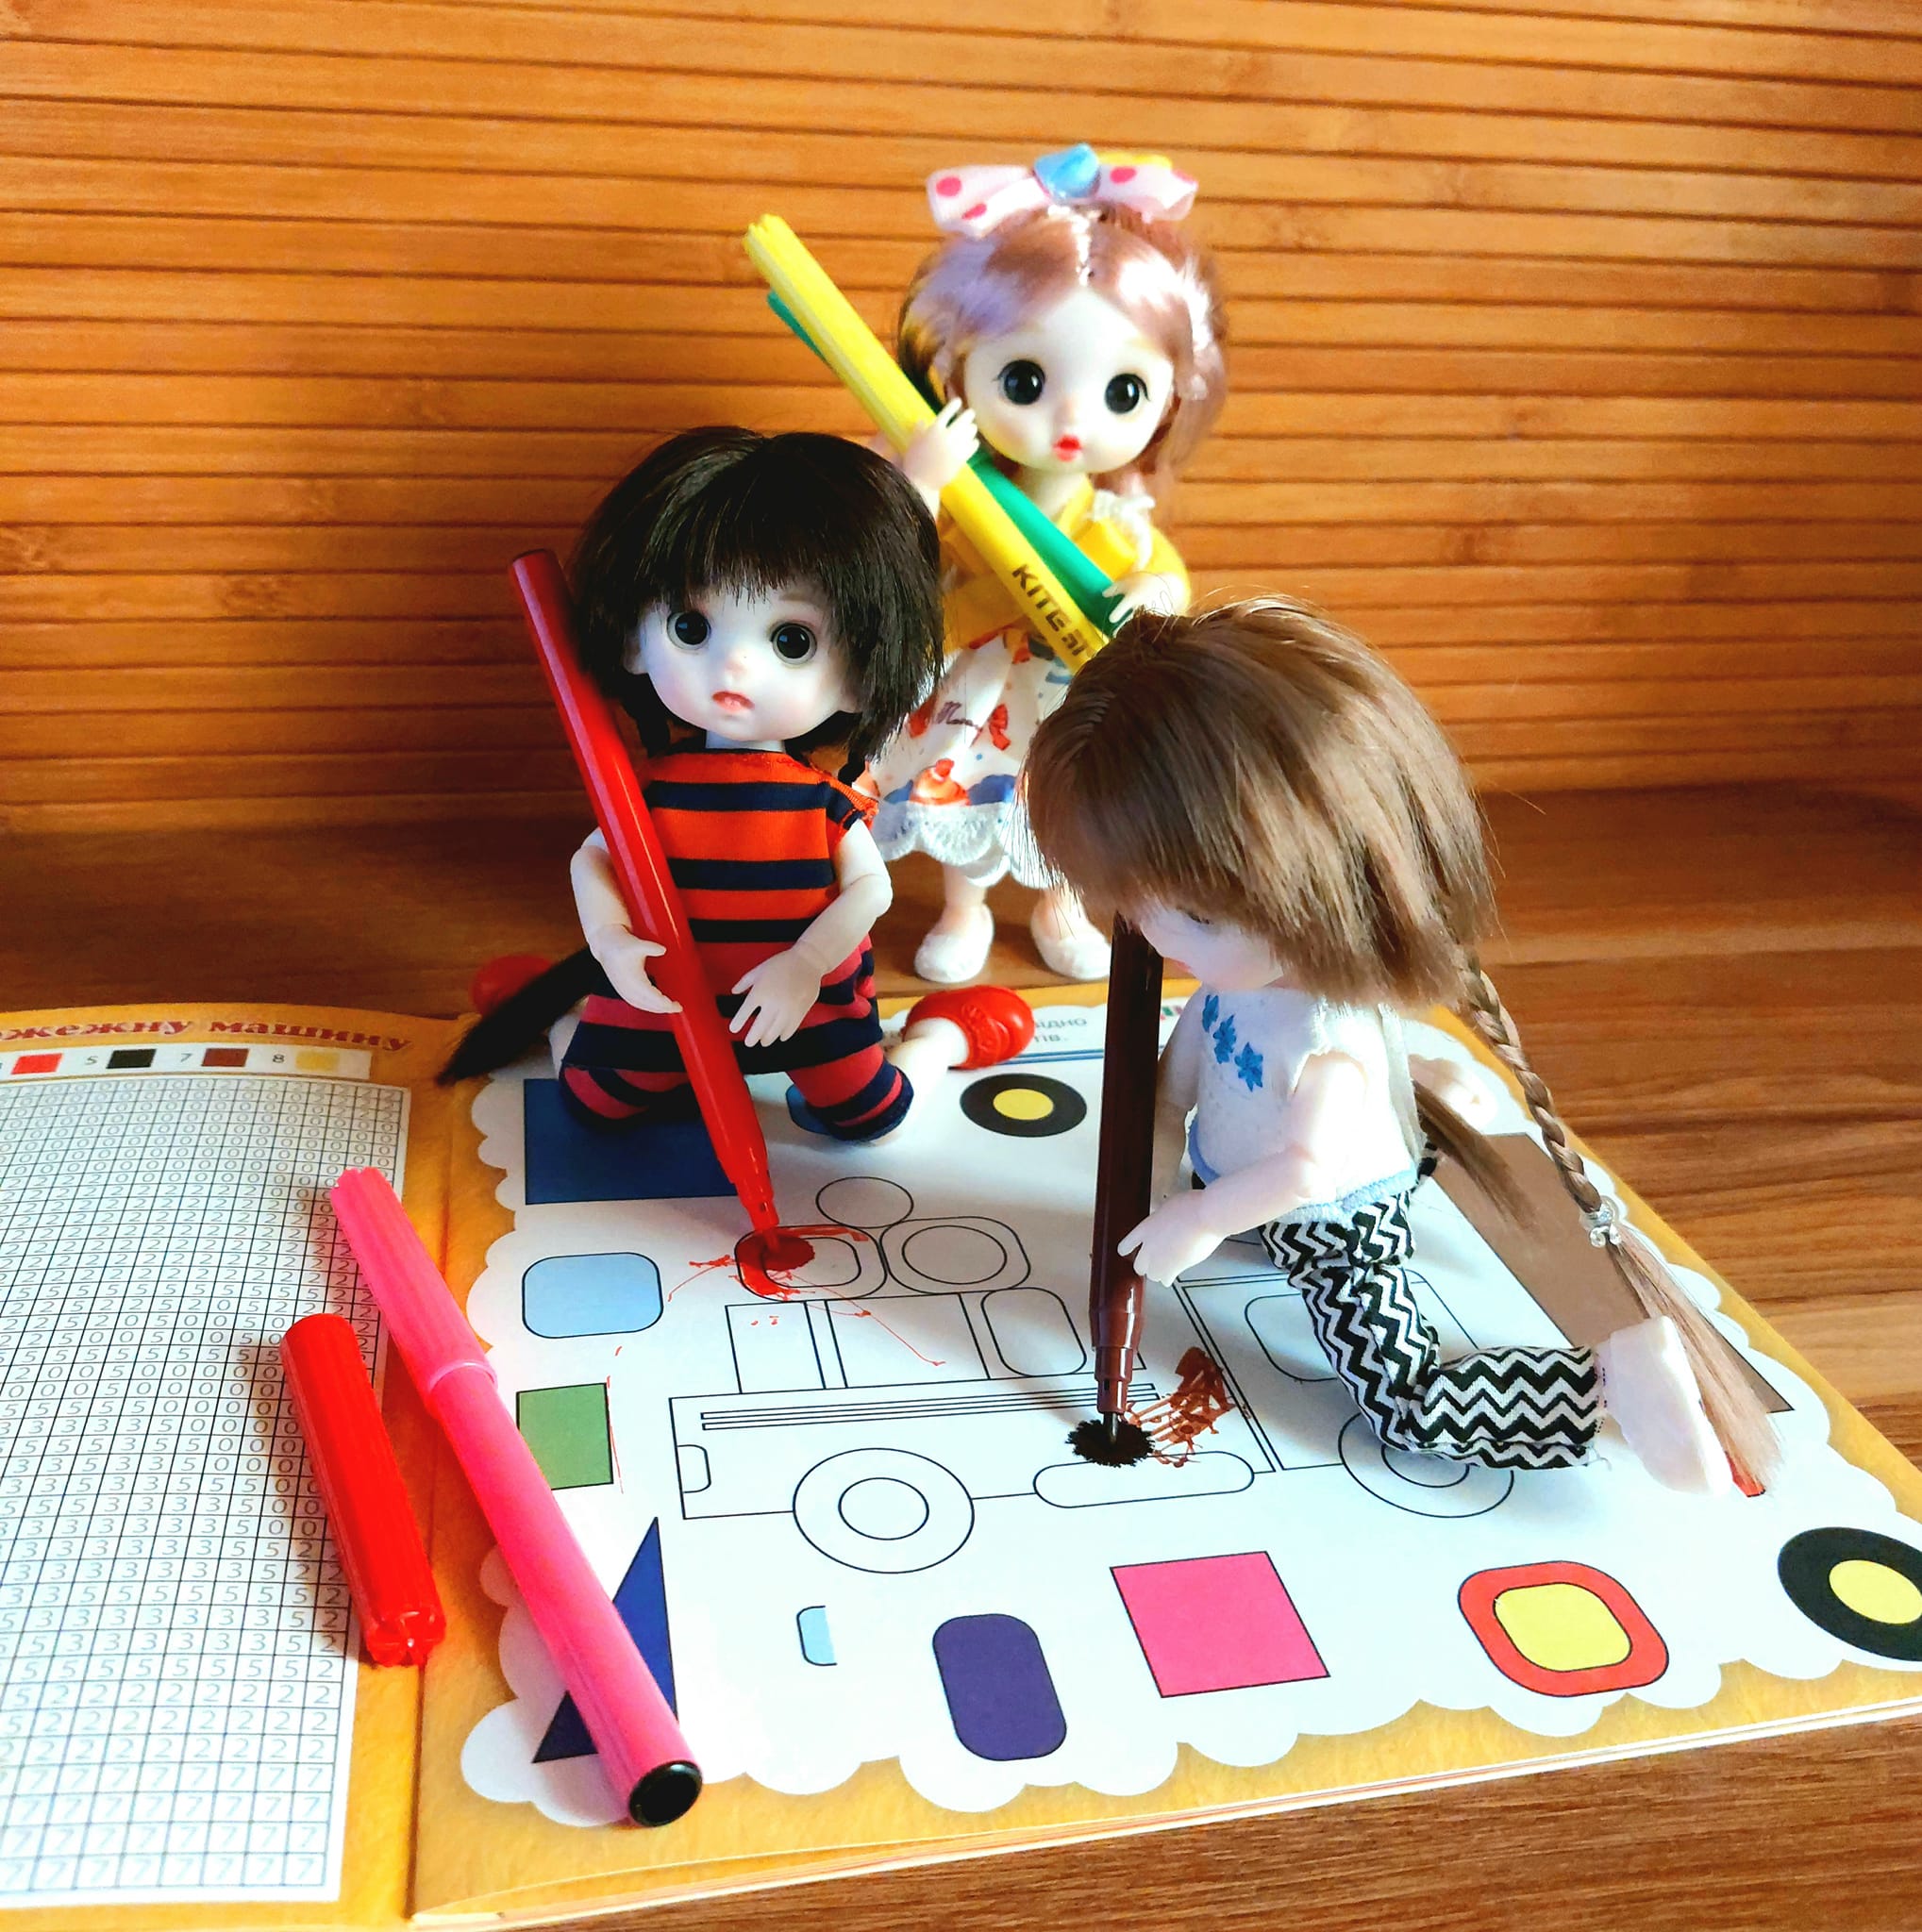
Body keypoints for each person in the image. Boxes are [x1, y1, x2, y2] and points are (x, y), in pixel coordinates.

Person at [1023, 599, 1779, 1493]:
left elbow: (1305, 1173)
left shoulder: (1322, 1040)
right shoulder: (1234, 984)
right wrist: (1154, 1185)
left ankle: (1608, 1382)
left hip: (1336, 1220)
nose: (1148, 929)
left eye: (1192, 912)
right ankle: (1425, 1092)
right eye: (1133, 899)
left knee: (1405, 1404)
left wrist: (1201, 1218)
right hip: (1242, 1181)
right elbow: (1168, 1093)